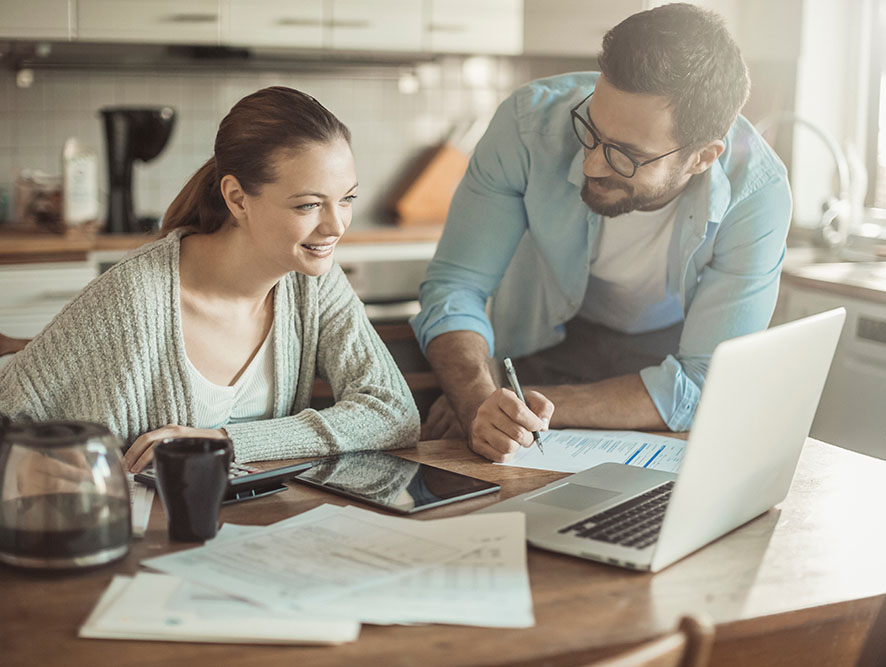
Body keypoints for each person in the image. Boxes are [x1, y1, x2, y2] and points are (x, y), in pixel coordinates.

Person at [411, 3, 791, 462]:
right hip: (541, 340)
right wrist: (478, 400)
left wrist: (524, 407)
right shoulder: (525, 127)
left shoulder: (757, 194)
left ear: (701, 158)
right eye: (590, 129)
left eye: (625, 155)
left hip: (658, 370)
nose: (589, 165)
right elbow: (456, 286)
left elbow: (704, 381)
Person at [0, 86, 420, 472]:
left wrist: (224, 441)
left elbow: (393, 412)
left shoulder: (312, 282)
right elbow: (16, 414)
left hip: (258, 530)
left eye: (347, 199)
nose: (335, 226)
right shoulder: (135, 300)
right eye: (309, 205)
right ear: (237, 198)